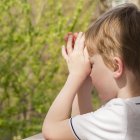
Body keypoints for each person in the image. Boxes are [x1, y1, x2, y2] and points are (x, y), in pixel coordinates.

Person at [42, 3, 140, 140]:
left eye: (92, 65)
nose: (89, 71)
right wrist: (83, 84)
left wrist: (76, 75)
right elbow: (83, 132)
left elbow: (51, 129)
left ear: (116, 66)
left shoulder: (121, 116)